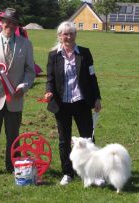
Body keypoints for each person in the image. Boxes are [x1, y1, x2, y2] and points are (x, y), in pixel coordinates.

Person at [0, 8, 36, 177]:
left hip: (15, 98)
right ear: (1, 23)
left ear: (17, 25)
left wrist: (23, 86)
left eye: (13, 22)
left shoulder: (26, 44)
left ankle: (13, 165)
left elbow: (30, 71)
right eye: (6, 22)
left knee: (13, 137)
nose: (9, 25)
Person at [44, 21, 102, 185]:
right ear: (60, 36)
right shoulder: (53, 55)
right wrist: (48, 91)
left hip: (82, 102)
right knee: (64, 139)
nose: (68, 37)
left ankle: (92, 173)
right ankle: (67, 173)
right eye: (65, 34)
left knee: (88, 139)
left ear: (75, 35)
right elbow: (50, 79)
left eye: (71, 33)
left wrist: (97, 98)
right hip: (61, 105)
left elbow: (92, 77)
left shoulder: (84, 53)